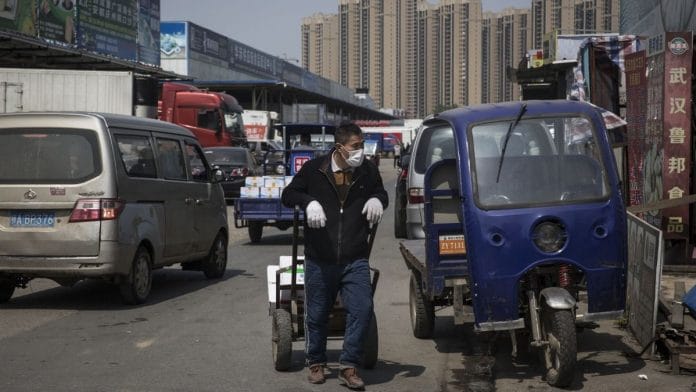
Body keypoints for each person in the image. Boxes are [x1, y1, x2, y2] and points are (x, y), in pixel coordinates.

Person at [281, 121, 388, 390]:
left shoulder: (367, 171)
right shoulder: (314, 170)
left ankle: (349, 366)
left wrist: (378, 200)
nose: (360, 151)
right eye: (356, 146)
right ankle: (315, 362)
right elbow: (288, 194)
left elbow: (381, 192)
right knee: (316, 314)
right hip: (320, 257)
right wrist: (309, 202)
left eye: (362, 145)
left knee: (363, 309)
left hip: (355, 257)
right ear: (340, 148)